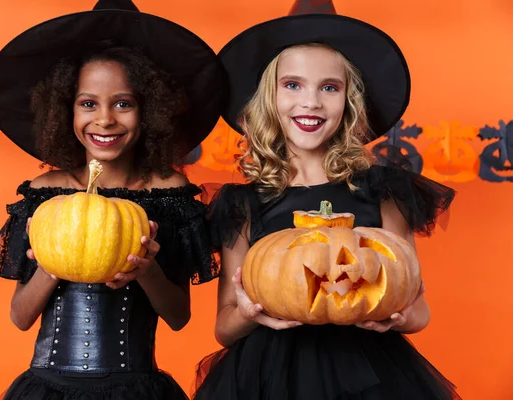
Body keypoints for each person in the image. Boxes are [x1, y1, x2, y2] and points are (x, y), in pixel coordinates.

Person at [193, 7, 461, 400]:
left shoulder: (384, 192)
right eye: (293, 85)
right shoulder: (243, 203)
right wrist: (249, 313)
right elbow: (224, 326)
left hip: (370, 373)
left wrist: (401, 316)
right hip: (268, 376)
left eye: (329, 88)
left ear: (349, 101)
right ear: (270, 97)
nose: (311, 102)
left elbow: (417, 308)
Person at [0, 1, 225, 398]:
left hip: (135, 387)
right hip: (49, 387)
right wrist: (50, 263)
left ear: (150, 112)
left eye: (123, 103)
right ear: (65, 110)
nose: (105, 119)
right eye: (88, 103)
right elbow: (20, 317)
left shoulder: (169, 194)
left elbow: (179, 317)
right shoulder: (46, 193)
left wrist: (146, 269)